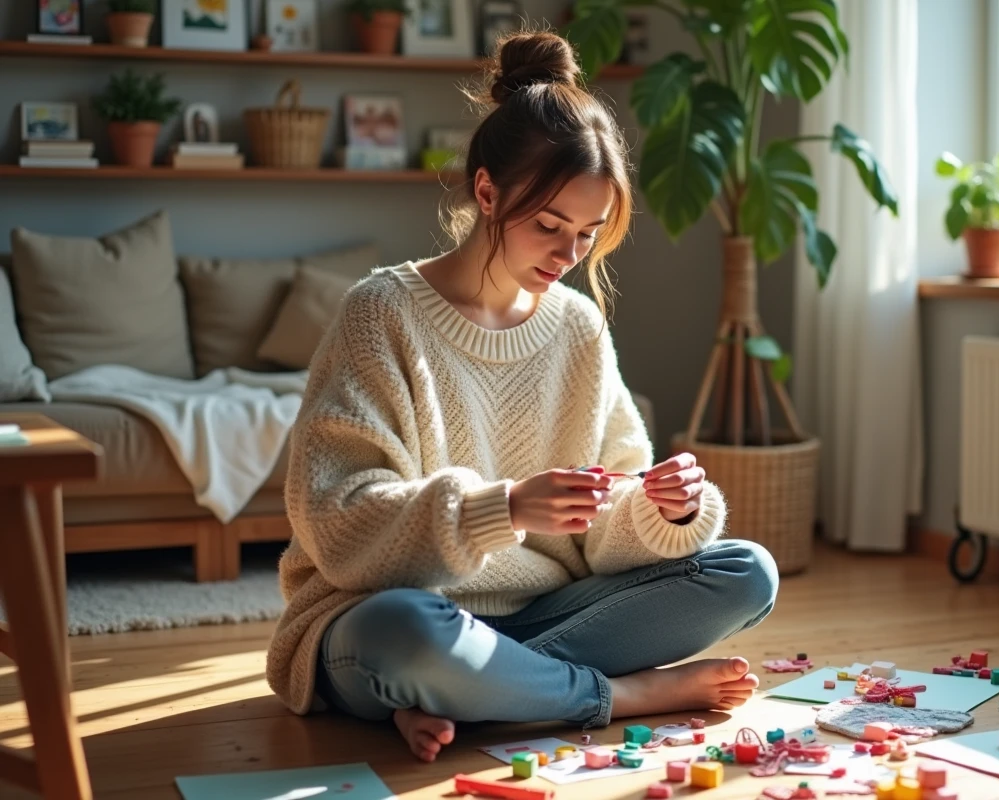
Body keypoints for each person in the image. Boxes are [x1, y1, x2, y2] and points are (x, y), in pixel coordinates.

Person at [266, 29, 779, 763]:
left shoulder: (577, 328)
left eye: (589, 233)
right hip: (394, 617)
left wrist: (662, 507)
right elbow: (338, 527)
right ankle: (612, 694)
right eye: (548, 225)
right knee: (410, 635)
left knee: (745, 571)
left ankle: (469, 694)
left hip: (545, 617)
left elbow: (604, 531)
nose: (569, 257)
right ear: (486, 192)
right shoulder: (381, 313)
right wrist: (500, 510)